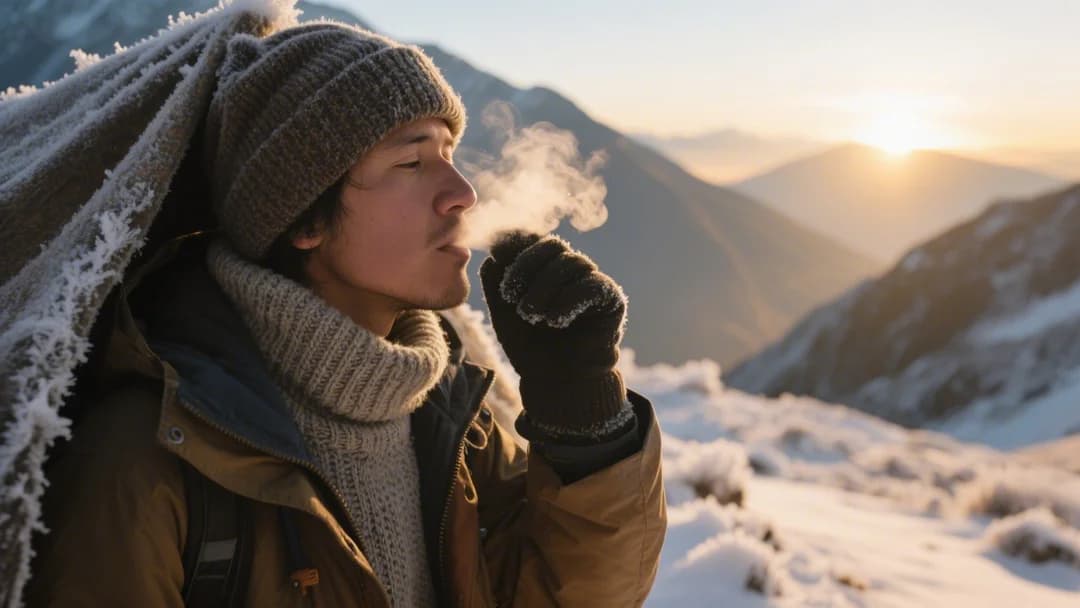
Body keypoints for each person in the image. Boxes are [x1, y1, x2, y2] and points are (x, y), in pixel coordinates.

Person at [27, 20, 665, 607]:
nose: (464, 193)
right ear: (304, 219)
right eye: (411, 162)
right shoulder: (147, 462)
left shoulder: (448, 417)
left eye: (449, 154)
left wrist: (584, 416)